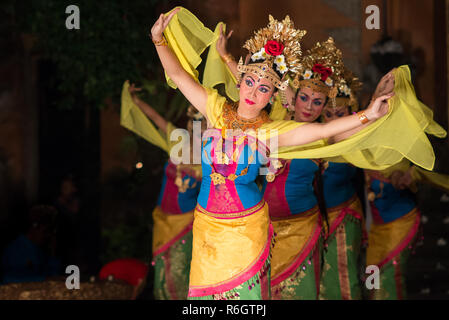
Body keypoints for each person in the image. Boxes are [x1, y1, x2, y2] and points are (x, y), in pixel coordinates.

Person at [150, 7, 397, 300]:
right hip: (205, 226)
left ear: (273, 95)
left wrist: (368, 113)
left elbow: (324, 132)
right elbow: (178, 74)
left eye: (264, 88)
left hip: (246, 230)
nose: (253, 92)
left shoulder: (272, 131)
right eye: (251, 82)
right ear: (240, 80)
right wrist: (158, 41)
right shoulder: (215, 109)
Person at [121, 81, 204, 299]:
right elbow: (156, 119)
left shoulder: (210, 158)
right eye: (194, 124)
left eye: (203, 126)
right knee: (161, 268)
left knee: (179, 269)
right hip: (163, 218)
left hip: (186, 222)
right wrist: (135, 100)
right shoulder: (178, 141)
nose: (197, 130)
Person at [1, 205, 61, 284]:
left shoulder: (41, 249)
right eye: (45, 231)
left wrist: (53, 254)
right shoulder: (17, 249)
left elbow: (53, 276)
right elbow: (7, 280)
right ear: (34, 227)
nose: (49, 235)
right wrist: (43, 280)